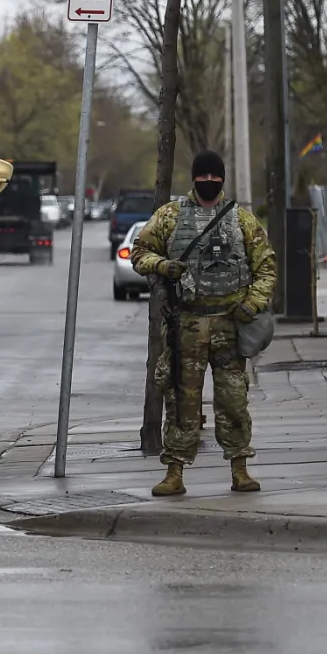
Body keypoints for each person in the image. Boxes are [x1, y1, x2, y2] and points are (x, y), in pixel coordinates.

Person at [131, 150, 276, 496]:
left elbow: (266, 268)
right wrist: (164, 266)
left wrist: (252, 304)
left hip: (230, 324)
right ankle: (175, 472)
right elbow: (139, 253)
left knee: (233, 400)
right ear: (194, 179)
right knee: (182, 400)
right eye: (204, 178)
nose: (209, 183)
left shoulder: (242, 221)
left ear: (222, 179)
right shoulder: (169, 217)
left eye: (215, 178)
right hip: (187, 325)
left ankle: (240, 467)